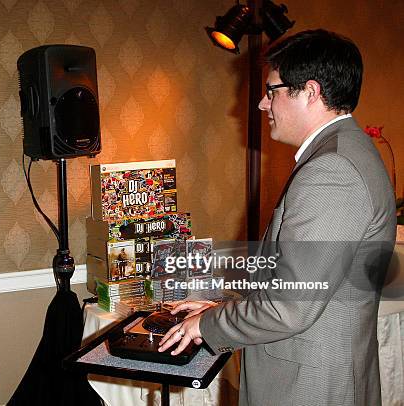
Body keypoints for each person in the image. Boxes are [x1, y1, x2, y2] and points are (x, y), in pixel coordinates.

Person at [158, 29, 396, 405]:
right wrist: (223, 308)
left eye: (272, 91)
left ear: (311, 92)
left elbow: (291, 307)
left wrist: (207, 323)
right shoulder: (345, 152)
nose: (261, 105)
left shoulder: (331, 170)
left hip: (310, 388)